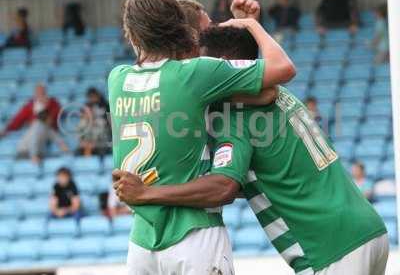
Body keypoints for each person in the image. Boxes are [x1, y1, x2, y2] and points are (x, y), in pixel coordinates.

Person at [113, 24, 389, 275]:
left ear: (222, 66)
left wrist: (148, 192)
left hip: (329, 249)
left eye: (205, 62)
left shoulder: (236, 115)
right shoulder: (278, 94)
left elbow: (223, 187)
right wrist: (251, 26)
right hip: (368, 230)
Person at [109, 0, 295, 275]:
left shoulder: (117, 79)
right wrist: (249, 26)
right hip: (194, 236)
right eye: (205, 32)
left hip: (142, 241)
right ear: (184, 35)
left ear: (132, 36)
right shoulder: (196, 75)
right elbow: (275, 80)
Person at [76, 87, 110, 156]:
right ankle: (85, 146)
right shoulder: (87, 106)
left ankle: (89, 148)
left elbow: (109, 120)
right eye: (90, 97)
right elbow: (82, 117)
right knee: (83, 124)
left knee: (99, 126)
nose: (92, 99)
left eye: (93, 96)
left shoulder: (105, 105)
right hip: (89, 133)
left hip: (102, 135)